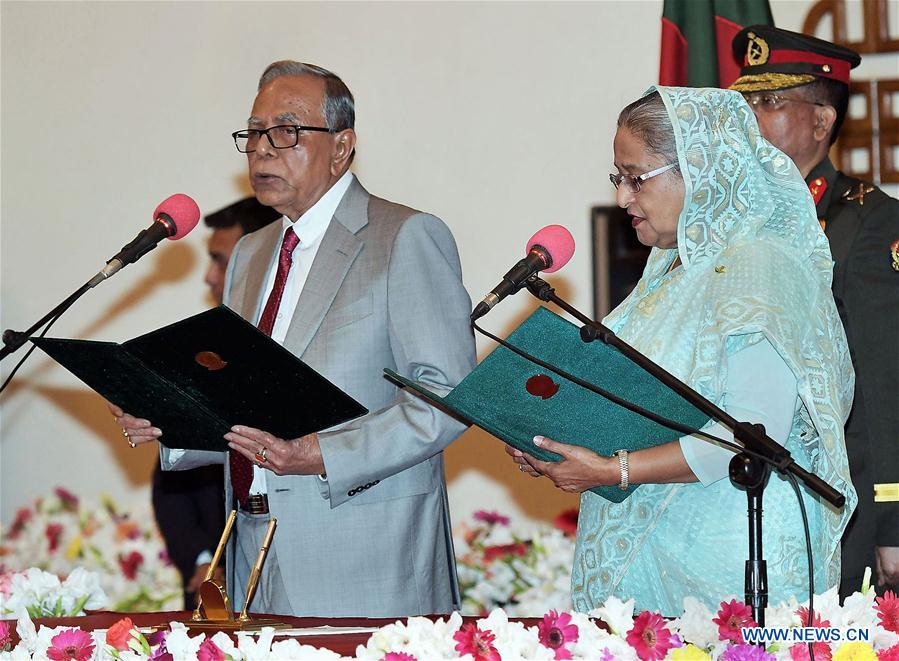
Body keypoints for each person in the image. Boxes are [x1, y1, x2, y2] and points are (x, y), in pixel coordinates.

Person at [113, 60, 476, 617]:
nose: (262, 148)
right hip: (250, 547)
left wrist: (319, 453)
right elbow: (241, 407)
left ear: (341, 146)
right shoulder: (251, 254)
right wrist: (170, 420)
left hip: (365, 554)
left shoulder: (403, 237)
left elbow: (444, 401)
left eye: (286, 131)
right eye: (254, 133)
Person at [507, 86, 857, 615]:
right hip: (665, 557)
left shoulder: (755, 266)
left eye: (635, 177)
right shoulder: (670, 269)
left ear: (697, 167)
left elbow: (753, 433)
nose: (623, 198)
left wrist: (612, 470)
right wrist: (560, 441)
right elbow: (641, 404)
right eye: (617, 178)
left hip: (731, 565)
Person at [729, 25, 899, 596]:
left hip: (843, 504)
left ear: (822, 122)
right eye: (745, 102)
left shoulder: (871, 224)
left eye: (770, 102)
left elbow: (886, 386)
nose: (751, 116)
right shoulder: (733, 229)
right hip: (749, 503)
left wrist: (893, 519)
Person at [151, 197, 280, 608]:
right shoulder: (205, 354)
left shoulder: (303, 353)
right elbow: (171, 479)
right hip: (212, 589)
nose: (208, 276)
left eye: (222, 262)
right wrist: (207, 561)